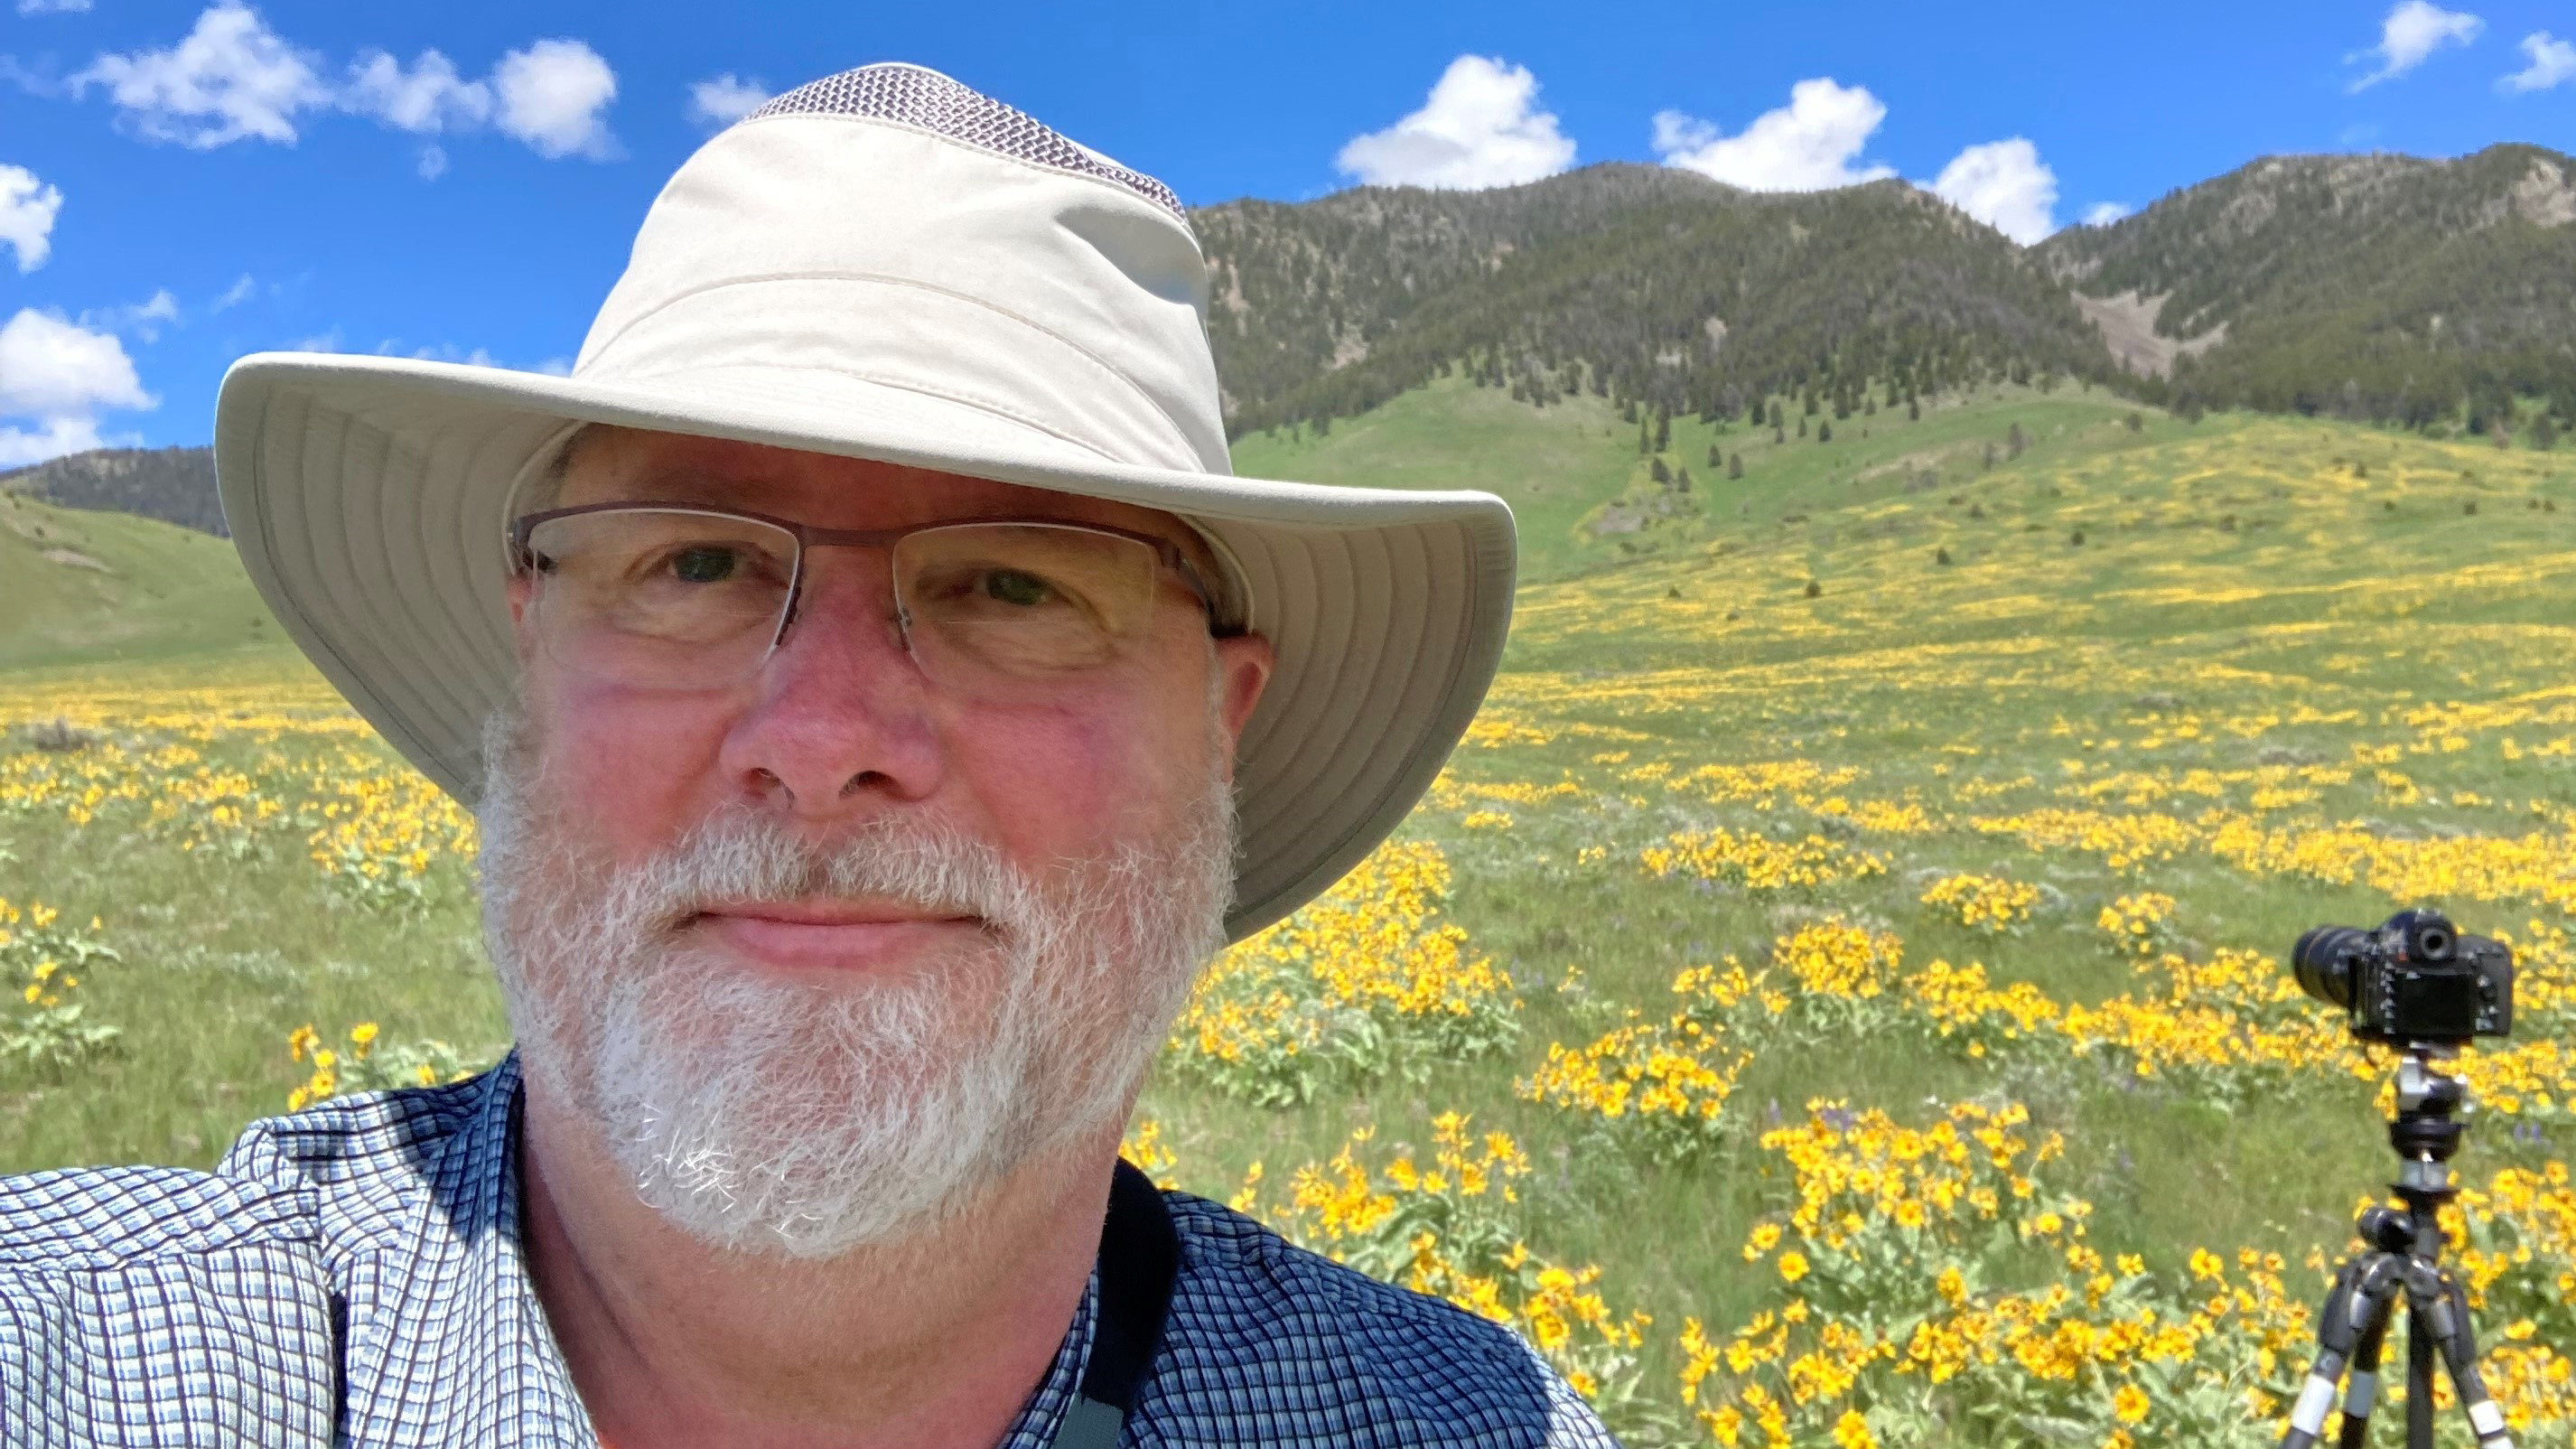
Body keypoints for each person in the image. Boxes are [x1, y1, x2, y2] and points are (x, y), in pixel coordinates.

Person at [0, 62, 1614, 1449]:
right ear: (529, 669)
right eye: (691, 567)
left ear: (1221, 731)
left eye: (1014, 585)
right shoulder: (93, 1361)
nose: (823, 741)